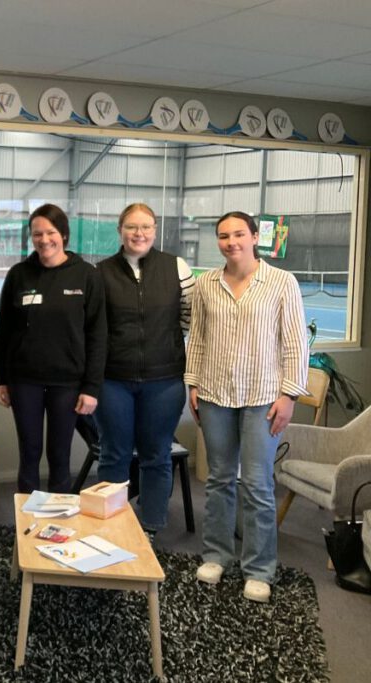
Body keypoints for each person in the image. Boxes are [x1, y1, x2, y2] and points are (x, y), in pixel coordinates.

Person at [186, 211, 308, 603]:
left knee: (257, 484)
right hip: (215, 395)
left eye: (239, 234)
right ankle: (217, 555)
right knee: (220, 479)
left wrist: (289, 395)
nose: (231, 242)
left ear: (255, 237)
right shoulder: (206, 284)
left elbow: (294, 343)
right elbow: (199, 339)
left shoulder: (281, 283)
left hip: (264, 398)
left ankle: (259, 569)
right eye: (223, 236)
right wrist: (193, 384)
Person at [95, 203, 195, 541]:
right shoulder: (101, 272)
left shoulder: (176, 267)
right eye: (132, 227)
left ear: (155, 230)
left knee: (156, 456)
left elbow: (188, 318)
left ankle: (150, 526)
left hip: (164, 382)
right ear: (120, 230)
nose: (139, 234)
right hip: (113, 382)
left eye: (146, 227)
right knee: (114, 455)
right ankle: (111, 526)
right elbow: (95, 328)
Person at [0, 203, 106, 494]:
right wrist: (1, 378)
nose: (45, 240)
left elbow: (97, 335)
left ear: (64, 235)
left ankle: (59, 531)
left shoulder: (86, 275)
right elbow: (4, 330)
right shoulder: (19, 275)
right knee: (29, 454)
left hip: (68, 382)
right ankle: (27, 528)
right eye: (37, 234)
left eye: (51, 232)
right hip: (24, 380)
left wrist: (91, 387)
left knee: (60, 457)